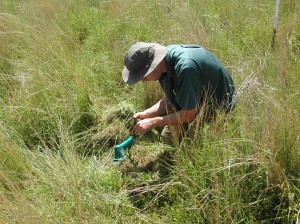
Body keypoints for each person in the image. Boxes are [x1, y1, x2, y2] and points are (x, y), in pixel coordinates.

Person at [122, 42, 236, 145]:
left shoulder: (185, 68)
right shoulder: (164, 66)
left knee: (188, 149)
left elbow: (189, 114)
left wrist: (153, 122)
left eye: (143, 75)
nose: (142, 81)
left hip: (217, 108)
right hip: (195, 102)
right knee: (167, 138)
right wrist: (147, 114)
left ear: (153, 65)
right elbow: (172, 98)